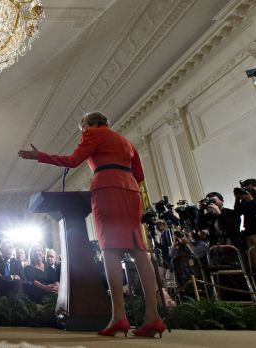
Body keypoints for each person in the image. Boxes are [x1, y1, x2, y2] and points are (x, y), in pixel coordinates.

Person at [18, 111, 165, 338]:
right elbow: (139, 175)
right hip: (131, 191)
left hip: (107, 189)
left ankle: (118, 317)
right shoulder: (126, 141)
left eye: (83, 129)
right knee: (139, 250)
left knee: (110, 250)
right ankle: (153, 317)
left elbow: (73, 161)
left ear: (89, 124)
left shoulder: (92, 134)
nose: (83, 133)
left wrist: (41, 156)